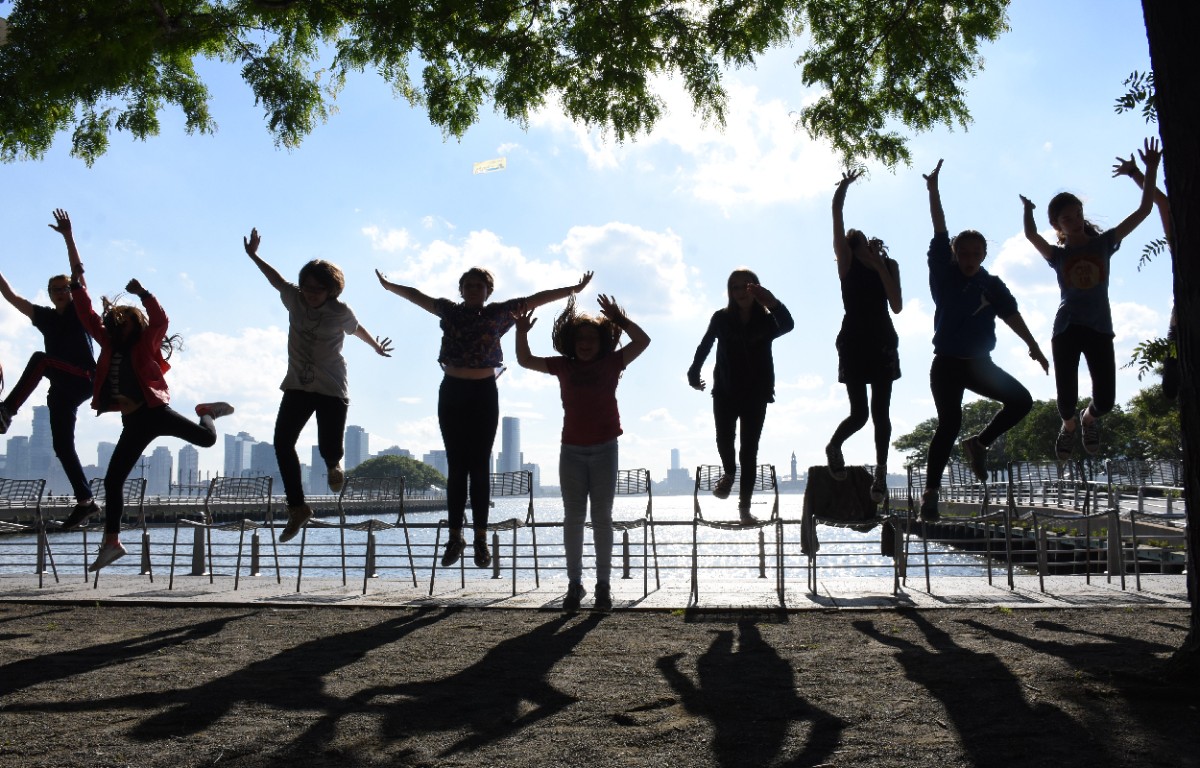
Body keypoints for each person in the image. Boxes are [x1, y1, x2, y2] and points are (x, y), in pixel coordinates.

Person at [376, 266, 592, 568]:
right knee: (456, 467)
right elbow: (417, 296)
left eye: (479, 285)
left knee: (478, 467)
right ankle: (455, 537)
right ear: (461, 289)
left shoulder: (498, 314)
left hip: (483, 393)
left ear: (488, 291)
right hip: (452, 391)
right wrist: (390, 286)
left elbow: (536, 299)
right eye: (468, 285)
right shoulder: (449, 311)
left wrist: (573, 290)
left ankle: (479, 538)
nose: (474, 289)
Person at [73, 273, 234, 571]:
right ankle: (112, 542)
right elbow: (87, 315)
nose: (120, 323)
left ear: (136, 322)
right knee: (112, 480)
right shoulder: (107, 344)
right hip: (133, 422)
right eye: (116, 319)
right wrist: (75, 285)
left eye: (126, 318)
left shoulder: (146, 343)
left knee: (207, 439)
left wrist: (144, 293)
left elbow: (160, 321)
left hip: (155, 412)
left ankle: (207, 412)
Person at [243, 228, 393, 542]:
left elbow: (358, 329)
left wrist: (375, 347)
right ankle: (297, 507)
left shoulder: (340, 312)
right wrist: (255, 256)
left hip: (332, 387)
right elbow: (275, 279)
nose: (311, 294)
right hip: (297, 385)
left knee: (329, 447)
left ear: (330, 290)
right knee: (282, 443)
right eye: (308, 287)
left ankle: (335, 464)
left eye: (318, 289)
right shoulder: (293, 299)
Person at [921, 159, 1049, 520]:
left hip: (980, 365)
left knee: (1022, 401)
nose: (969, 259)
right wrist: (933, 190)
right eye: (964, 253)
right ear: (956, 254)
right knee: (948, 423)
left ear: (984, 256)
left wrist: (1034, 346)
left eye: (976, 254)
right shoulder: (943, 274)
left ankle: (980, 443)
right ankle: (931, 493)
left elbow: (1011, 315)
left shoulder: (991, 285)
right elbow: (940, 228)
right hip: (946, 364)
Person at [1020, 137, 1161, 459]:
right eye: (1066, 219)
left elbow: (1144, 209)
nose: (1074, 220)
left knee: (1107, 400)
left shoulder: (1103, 244)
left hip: (1099, 326)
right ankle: (1069, 425)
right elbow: (1030, 235)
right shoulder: (1056, 255)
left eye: (1077, 213)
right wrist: (1028, 211)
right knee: (1064, 401)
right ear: (1057, 225)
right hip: (1067, 327)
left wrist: (1149, 170)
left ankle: (1088, 420)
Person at [513, 294, 650, 611]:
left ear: (601, 342)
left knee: (602, 517)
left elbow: (643, 341)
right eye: (580, 339)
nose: (585, 343)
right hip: (571, 451)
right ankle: (575, 585)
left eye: (591, 338)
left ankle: (603, 586)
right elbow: (524, 360)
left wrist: (620, 319)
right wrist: (521, 331)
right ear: (571, 343)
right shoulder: (563, 366)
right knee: (573, 518)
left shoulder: (612, 363)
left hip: (605, 450)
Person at [0, 210, 98, 527]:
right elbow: (11, 295)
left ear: (72, 291)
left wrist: (69, 237)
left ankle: (6, 410)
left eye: (65, 288)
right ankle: (85, 501)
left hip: (83, 376)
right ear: (50, 294)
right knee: (61, 445)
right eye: (55, 289)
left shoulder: (80, 311)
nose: (61, 292)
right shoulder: (44, 316)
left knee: (40, 359)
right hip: (61, 389)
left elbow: (78, 272)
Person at [687, 269, 793, 523]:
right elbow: (705, 345)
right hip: (725, 389)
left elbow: (788, 325)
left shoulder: (768, 322)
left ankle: (744, 509)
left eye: (746, 286)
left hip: (756, 391)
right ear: (729, 292)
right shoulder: (721, 318)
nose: (740, 292)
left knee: (749, 450)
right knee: (724, 438)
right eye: (734, 287)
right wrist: (693, 371)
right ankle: (729, 473)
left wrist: (773, 302)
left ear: (756, 288)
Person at [824, 171, 903, 502]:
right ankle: (834, 446)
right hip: (854, 339)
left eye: (860, 243)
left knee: (881, 412)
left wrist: (879, 265)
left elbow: (896, 305)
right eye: (851, 246)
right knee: (860, 414)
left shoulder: (889, 265)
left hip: (883, 337)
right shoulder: (847, 268)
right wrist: (842, 188)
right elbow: (837, 216)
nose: (857, 247)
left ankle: (881, 476)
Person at [1111, 147, 1178, 401]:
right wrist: (1137, 173)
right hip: (1181, 321)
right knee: (1171, 385)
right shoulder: (1183, 247)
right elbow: (1163, 204)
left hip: (1181, 321)